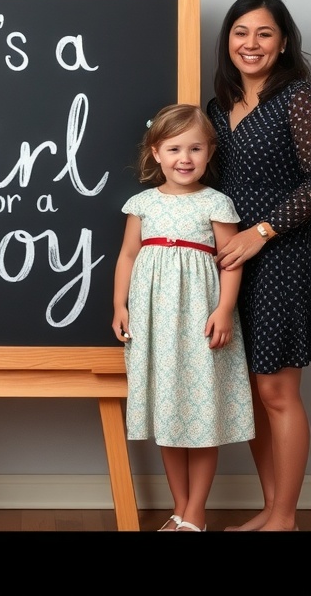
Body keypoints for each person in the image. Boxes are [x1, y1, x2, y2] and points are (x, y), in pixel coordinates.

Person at [112, 104, 255, 532]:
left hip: (200, 321)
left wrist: (224, 310)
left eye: (195, 148)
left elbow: (231, 261)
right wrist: (120, 305)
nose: (185, 158)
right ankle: (180, 509)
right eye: (174, 149)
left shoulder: (216, 203)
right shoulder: (142, 203)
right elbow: (128, 255)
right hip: (154, 324)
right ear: (156, 153)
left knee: (201, 417)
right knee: (168, 416)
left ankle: (196, 513)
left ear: (209, 152)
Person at [207, 0, 311, 532]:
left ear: (284, 41)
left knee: (277, 390)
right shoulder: (216, 106)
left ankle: (285, 517)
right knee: (250, 392)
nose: (251, 43)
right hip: (231, 262)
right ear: (228, 39)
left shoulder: (298, 97)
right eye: (241, 32)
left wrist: (262, 232)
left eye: (264, 33)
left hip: (284, 257)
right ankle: (272, 510)